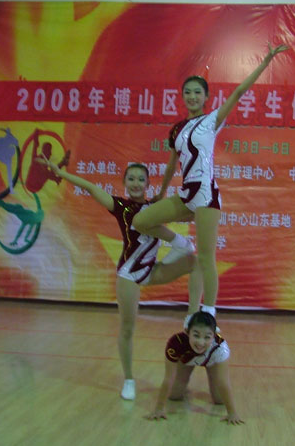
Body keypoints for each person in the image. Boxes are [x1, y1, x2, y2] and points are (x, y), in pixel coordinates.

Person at [133, 43, 289, 327]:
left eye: (197, 92)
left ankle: (207, 313)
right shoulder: (177, 130)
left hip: (206, 197)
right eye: (187, 92)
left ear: (206, 97)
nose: (192, 96)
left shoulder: (212, 120)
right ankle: (181, 244)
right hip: (185, 195)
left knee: (206, 258)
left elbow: (239, 92)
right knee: (141, 220)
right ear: (182, 97)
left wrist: (266, 61)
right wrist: (161, 193)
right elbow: (172, 164)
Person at [36, 156, 203, 401]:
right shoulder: (120, 207)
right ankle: (129, 379)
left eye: (141, 180)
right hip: (130, 274)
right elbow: (90, 187)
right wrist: (60, 173)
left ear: (148, 184)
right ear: (124, 182)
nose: (136, 183)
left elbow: (190, 211)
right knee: (127, 328)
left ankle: (192, 314)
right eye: (131, 179)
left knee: (196, 263)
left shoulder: (155, 207)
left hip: (152, 269)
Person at [146, 311, 243, 425]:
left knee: (219, 400)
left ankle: (210, 377)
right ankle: (183, 382)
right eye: (196, 335)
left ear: (214, 336)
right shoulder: (176, 344)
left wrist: (232, 413)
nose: (201, 342)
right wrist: (159, 408)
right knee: (174, 395)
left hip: (211, 361)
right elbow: (168, 378)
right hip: (187, 360)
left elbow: (223, 382)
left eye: (207, 337)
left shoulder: (220, 348)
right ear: (187, 332)